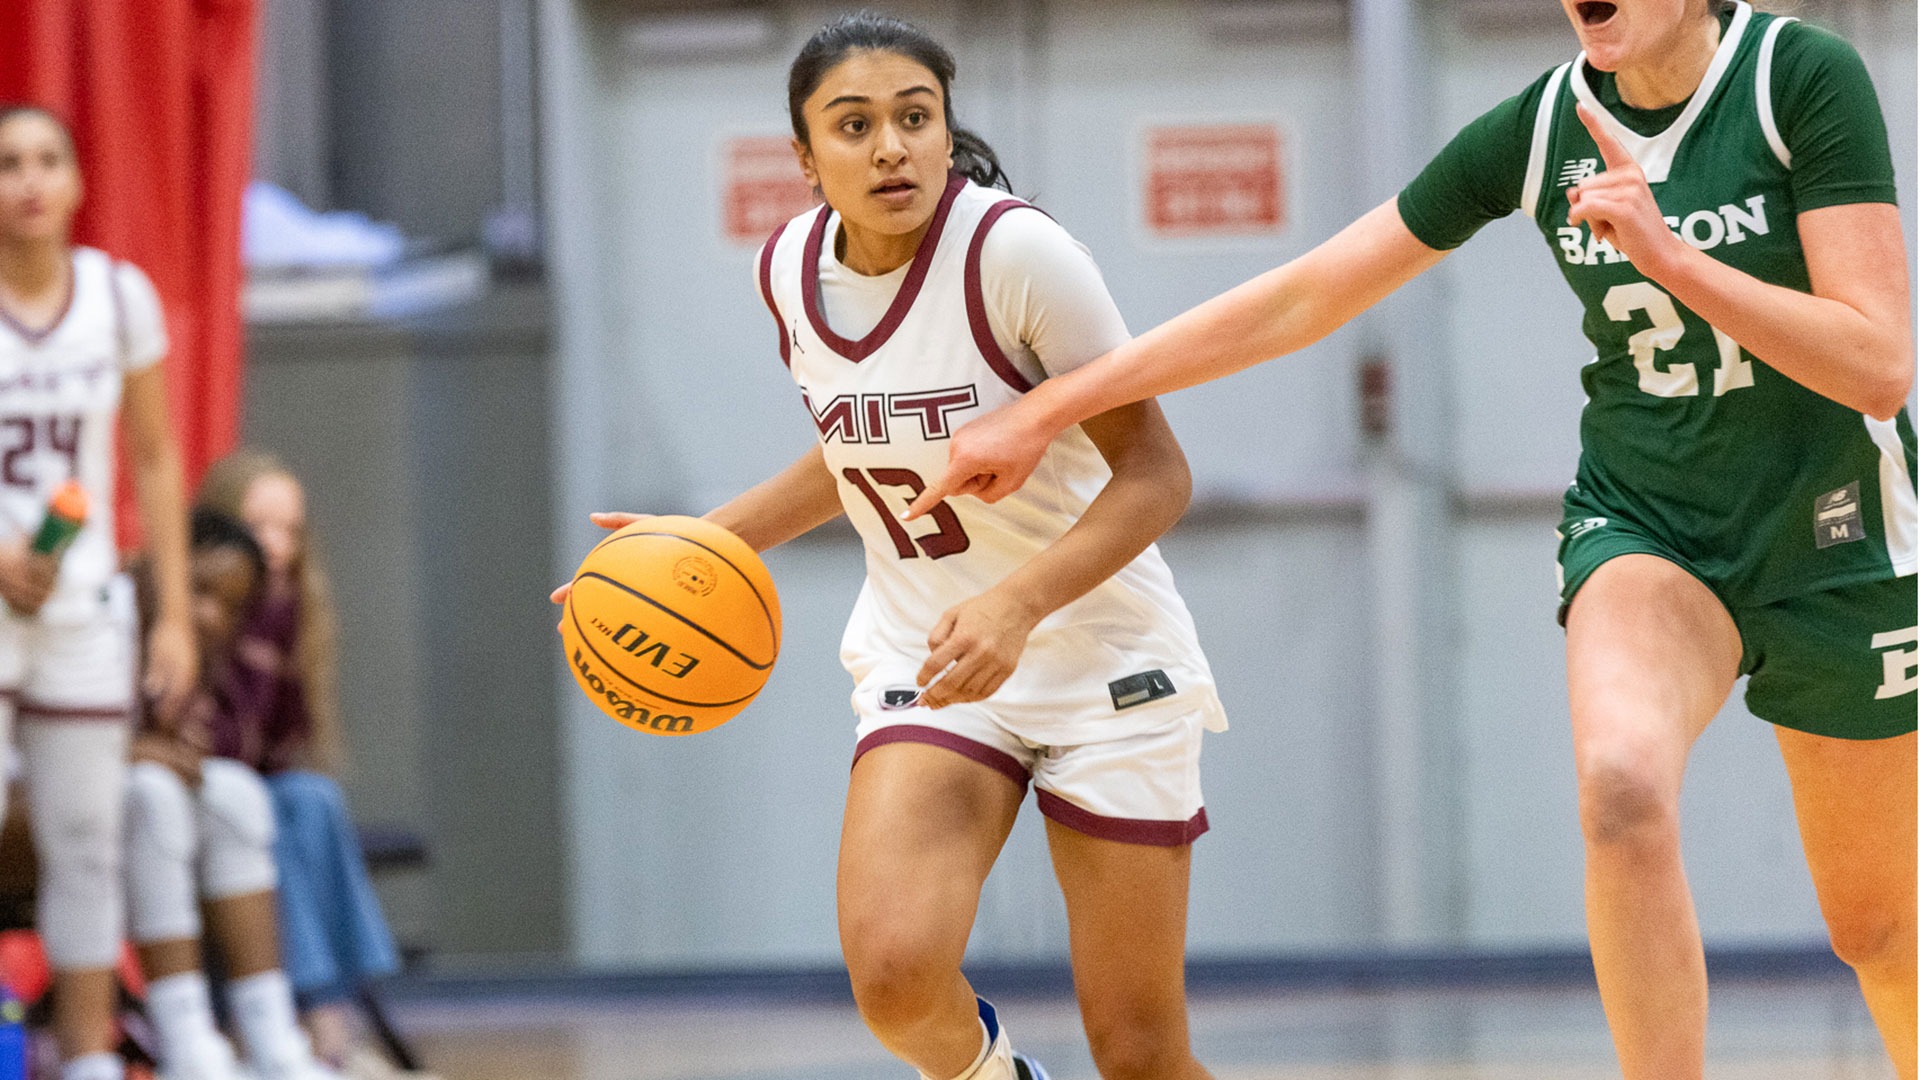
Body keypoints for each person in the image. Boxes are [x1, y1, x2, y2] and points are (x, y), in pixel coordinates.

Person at [907, 2, 1917, 1078]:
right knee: (1621, 786)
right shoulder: (1540, 127)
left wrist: (1671, 259)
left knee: (1879, 932)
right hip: (1652, 522)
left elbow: (1877, 364)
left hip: (1836, 534)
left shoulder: (1797, 77)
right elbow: (1304, 295)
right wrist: (1050, 407)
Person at [557, 13, 1227, 1080]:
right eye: (854, 124)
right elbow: (860, 446)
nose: (890, 147)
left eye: (915, 118)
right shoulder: (789, 270)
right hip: (934, 657)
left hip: (1103, 657)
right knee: (895, 979)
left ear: (946, 128)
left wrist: (1018, 602)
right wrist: (706, 542)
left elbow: (1157, 474)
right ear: (805, 157)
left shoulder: (1017, 255)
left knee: (1141, 1054)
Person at [0, 104, 198, 1080]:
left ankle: (85, 1058)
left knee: (87, 839)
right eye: (8, 163)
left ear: (78, 181)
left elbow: (156, 458)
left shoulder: (120, 297)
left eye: (47, 160)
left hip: (83, 602)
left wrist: (170, 615)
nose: (29, 180)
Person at [195, 450, 405, 1076]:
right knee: (260, 811)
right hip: (198, 786)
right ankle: (312, 1017)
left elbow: (287, 739)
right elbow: (210, 734)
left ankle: (329, 1007)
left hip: (250, 785)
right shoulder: (197, 601)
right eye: (260, 528)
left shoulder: (294, 611)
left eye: (290, 530)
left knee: (311, 797)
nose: (277, 545)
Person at [124, 508, 341, 1080]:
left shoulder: (215, 657)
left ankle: (273, 1039)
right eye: (197, 591)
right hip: (53, 806)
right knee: (152, 792)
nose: (210, 614)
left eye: (229, 605)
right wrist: (140, 750)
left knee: (237, 793)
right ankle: (186, 1041)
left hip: (148, 809)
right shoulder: (109, 612)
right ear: (160, 568)